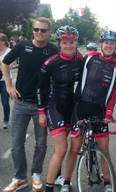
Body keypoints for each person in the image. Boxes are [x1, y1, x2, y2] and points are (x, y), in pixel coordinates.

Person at [2, 17, 58, 192]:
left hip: (41, 107)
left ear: (49, 32)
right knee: (16, 143)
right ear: (32, 30)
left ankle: (35, 175)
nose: (39, 33)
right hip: (20, 103)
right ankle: (20, 177)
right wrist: (9, 85)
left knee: (41, 144)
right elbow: (4, 63)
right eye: (36, 29)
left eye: (43, 30)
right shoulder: (22, 46)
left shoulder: (53, 50)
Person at [63, 30, 116, 192]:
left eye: (112, 43)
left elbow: (114, 92)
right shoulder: (90, 57)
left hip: (99, 111)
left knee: (104, 148)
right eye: (106, 43)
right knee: (74, 148)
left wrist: (109, 113)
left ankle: (108, 181)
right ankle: (66, 182)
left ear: (115, 46)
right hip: (80, 108)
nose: (109, 46)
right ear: (101, 44)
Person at [37, 25, 83, 192]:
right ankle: (49, 187)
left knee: (75, 148)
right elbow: (40, 89)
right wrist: (41, 112)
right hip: (54, 107)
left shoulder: (80, 59)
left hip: (73, 108)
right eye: (65, 42)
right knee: (61, 149)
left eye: (72, 42)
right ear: (59, 43)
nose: (69, 45)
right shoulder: (50, 63)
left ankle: (66, 182)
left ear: (76, 42)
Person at [0, 33, 13, 129]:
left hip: (5, 80)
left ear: (4, 41)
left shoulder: (9, 52)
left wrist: (2, 65)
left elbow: (10, 65)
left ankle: (6, 120)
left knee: (5, 102)